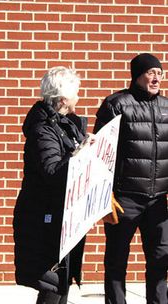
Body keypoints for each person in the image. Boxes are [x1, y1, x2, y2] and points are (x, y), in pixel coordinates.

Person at [13, 66, 93, 304]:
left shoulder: (66, 125)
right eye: (76, 92)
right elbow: (53, 172)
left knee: (59, 285)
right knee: (52, 285)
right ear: (63, 99)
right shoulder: (43, 129)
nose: (79, 97)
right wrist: (80, 153)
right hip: (44, 220)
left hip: (62, 218)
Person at [94, 53, 168, 304]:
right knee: (116, 260)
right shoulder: (117, 104)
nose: (156, 77)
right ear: (137, 75)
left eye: (160, 73)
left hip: (158, 200)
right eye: (151, 72)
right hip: (124, 197)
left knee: (160, 258)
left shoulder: (167, 106)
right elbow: (101, 151)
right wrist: (106, 193)